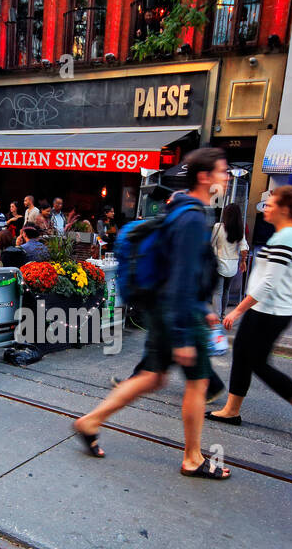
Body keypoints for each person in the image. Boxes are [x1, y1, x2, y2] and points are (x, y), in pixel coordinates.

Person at [73, 148, 231, 479]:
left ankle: (90, 421)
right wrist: (185, 335)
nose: (226, 176)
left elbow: (185, 272)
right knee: (198, 382)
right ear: (204, 177)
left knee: (152, 377)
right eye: (222, 171)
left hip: (166, 310)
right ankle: (192, 458)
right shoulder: (191, 217)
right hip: (178, 315)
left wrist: (204, 309)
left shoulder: (184, 208)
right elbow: (181, 278)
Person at [207, 186, 292, 439]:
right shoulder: (284, 235)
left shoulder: (288, 237)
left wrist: (236, 310)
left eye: (270, 204)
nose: (265, 208)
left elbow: (269, 282)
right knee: (242, 356)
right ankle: (231, 409)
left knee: (257, 363)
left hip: (271, 311)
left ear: (284, 209)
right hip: (265, 308)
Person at [211, 203, 249, 316]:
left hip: (219, 262)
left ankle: (217, 317)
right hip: (232, 265)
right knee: (226, 290)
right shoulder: (240, 229)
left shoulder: (218, 227)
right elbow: (244, 248)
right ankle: (223, 314)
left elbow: (212, 244)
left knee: (218, 292)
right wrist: (243, 261)